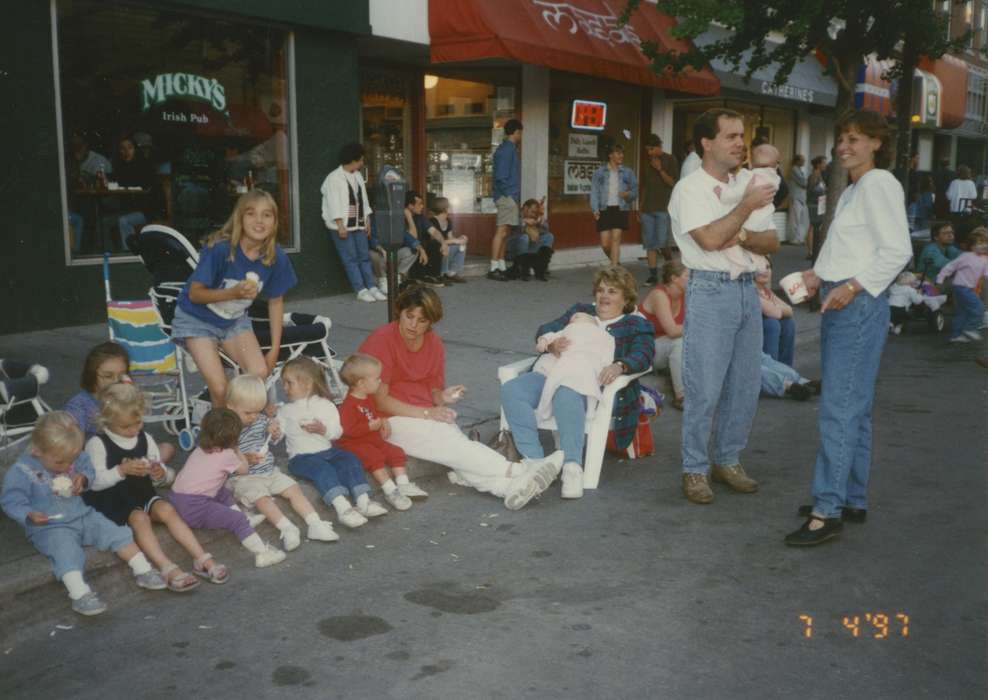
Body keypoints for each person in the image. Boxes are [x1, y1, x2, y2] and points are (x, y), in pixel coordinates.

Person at [786, 109, 913, 546]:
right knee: (853, 406)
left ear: (877, 143)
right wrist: (818, 275)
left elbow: (897, 251)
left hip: (856, 303)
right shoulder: (856, 188)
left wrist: (853, 287)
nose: (844, 146)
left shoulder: (878, 184)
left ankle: (826, 511)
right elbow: (850, 245)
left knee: (838, 408)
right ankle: (850, 497)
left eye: (855, 139)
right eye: (842, 138)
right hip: (843, 296)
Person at [359, 285, 563, 510]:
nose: (413, 325)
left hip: (425, 414)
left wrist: (443, 396)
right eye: (409, 316)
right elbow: (380, 400)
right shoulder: (382, 340)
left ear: (431, 321)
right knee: (454, 446)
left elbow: (434, 392)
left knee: (458, 451)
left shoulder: (433, 343)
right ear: (401, 312)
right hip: (384, 420)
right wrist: (428, 413)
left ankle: (507, 489)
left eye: (422, 320)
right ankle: (521, 470)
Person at [667, 107, 779, 505]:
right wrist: (745, 211)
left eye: (741, 135)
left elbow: (771, 242)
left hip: (748, 288)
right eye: (731, 136)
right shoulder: (689, 190)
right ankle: (694, 469)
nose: (740, 143)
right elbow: (711, 240)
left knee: (745, 384)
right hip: (711, 290)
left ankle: (727, 459)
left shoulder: (749, 182)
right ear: (706, 143)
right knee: (704, 386)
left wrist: (739, 229)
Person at [501, 266, 654, 499]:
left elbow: (644, 355)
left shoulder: (635, 324)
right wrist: (551, 344)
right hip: (550, 370)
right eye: (601, 290)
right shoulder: (581, 312)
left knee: (567, 390)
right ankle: (536, 462)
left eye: (612, 291)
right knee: (512, 390)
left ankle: (572, 468)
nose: (604, 296)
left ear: (626, 298)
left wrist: (619, 366)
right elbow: (546, 329)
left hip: (590, 380)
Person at [1, 412, 165, 616]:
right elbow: (11, 500)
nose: (67, 467)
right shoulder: (21, 471)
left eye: (72, 460)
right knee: (65, 550)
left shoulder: (72, 456)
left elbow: (87, 466)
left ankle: (143, 569)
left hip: (82, 513)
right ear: (37, 451)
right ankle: (80, 594)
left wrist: (84, 479)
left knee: (115, 532)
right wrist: (28, 514)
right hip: (50, 525)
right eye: (60, 462)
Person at [82, 383, 220, 591]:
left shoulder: (145, 438)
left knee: (167, 509)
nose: (134, 430)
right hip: (113, 500)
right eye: (126, 427)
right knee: (140, 518)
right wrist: (121, 471)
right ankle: (166, 567)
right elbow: (95, 481)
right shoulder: (97, 443)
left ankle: (201, 558)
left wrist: (159, 473)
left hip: (141, 493)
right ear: (106, 422)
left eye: (137, 423)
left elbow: (159, 472)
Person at [171, 189, 297, 407]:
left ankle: (243, 426)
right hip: (197, 319)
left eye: (267, 215)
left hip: (234, 320)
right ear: (240, 218)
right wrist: (233, 293)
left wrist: (274, 350)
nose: (259, 221)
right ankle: (221, 438)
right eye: (251, 214)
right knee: (220, 388)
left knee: (258, 373)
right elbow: (195, 293)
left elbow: (276, 301)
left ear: (275, 222)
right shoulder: (220, 250)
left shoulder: (276, 256)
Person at [224, 375, 339, 549]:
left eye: (258, 411)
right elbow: (222, 459)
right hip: (244, 478)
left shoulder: (260, 420)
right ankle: (287, 528)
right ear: (230, 406)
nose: (253, 417)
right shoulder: (226, 429)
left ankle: (315, 523)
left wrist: (274, 433)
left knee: (294, 489)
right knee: (262, 499)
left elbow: (272, 439)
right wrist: (245, 458)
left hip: (270, 471)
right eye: (248, 413)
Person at [278, 357, 388, 527]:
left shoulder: (325, 405)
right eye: (283, 383)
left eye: (288, 383)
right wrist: (273, 429)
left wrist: (323, 430)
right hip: (301, 457)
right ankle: (343, 508)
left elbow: (337, 432)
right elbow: (277, 437)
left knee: (349, 459)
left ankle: (363, 501)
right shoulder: (284, 410)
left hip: (327, 451)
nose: (284, 388)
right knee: (323, 469)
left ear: (307, 384)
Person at [169, 408, 287, 567]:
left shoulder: (201, 448)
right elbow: (244, 470)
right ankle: (262, 553)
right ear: (233, 438)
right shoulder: (228, 454)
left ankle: (247, 518)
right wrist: (237, 449)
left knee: (221, 491)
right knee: (236, 520)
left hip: (177, 498)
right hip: (195, 507)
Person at [337, 353, 426, 512]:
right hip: (353, 444)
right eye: (376, 378)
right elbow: (347, 431)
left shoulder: (367, 397)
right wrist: (369, 427)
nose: (380, 381)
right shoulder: (348, 405)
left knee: (395, 451)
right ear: (361, 383)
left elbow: (373, 413)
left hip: (371, 438)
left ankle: (403, 483)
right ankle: (390, 491)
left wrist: (382, 421)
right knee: (374, 457)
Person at [63, 341, 177, 464]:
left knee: (167, 448)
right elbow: (70, 446)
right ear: (91, 375)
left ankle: (145, 473)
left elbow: (138, 430)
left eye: (121, 375)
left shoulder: (126, 397)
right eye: (108, 376)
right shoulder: (79, 405)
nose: (115, 381)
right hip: (100, 460)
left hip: (130, 452)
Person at [320, 142, 386, 303]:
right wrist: (340, 225)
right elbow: (333, 203)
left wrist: (367, 220)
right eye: (360, 160)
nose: (362, 163)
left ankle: (371, 287)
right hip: (342, 226)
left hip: (359, 223)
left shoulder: (357, 176)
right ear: (352, 160)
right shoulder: (333, 178)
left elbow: (363, 199)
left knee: (364, 256)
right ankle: (360, 289)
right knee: (350, 258)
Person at [531, 312, 615, 423]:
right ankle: (591, 412)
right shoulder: (605, 336)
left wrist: (543, 342)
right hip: (588, 365)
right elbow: (608, 353)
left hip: (569, 362)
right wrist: (605, 365)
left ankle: (543, 411)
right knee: (592, 388)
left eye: (576, 317)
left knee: (551, 384)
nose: (572, 320)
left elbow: (550, 336)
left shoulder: (571, 329)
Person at [639, 259, 688, 410]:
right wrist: (701, 328)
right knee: (679, 341)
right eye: (688, 276)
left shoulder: (685, 294)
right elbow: (672, 331)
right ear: (674, 278)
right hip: (644, 351)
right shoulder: (659, 294)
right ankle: (681, 396)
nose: (693, 280)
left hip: (663, 350)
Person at [639, 134, 680, 284]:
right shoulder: (646, 162)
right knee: (649, 244)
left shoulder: (670, 160)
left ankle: (671, 270)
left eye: (651, 149)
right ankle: (653, 275)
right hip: (647, 209)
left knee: (663, 244)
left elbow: (673, 183)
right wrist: (640, 207)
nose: (649, 153)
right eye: (647, 150)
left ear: (658, 147)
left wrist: (660, 169)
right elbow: (645, 186)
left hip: (663, 208)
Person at [590, 144, 638, 265]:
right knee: (605, 244)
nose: (621, 155)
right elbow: (594, 191)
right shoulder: (599, 172)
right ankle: (616, 262)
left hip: (620, 208)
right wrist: (595, 209)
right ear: (610, 155)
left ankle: (614, 269)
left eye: (622, 153)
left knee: (616, 239)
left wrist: (628, 194)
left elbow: (635, 191)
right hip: (604, 208)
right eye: (618, 153)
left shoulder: (628, 172)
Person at [489, 119, 523, 280]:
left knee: (505, 232)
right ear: (516, 132)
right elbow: (501, 177)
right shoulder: (507, 150)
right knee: (501, 231)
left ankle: (500, 265)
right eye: (520, 132)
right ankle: (493, 267)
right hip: (506, 196)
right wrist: (509, 196)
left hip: (507, 195)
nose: (521, 136)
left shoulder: (508, 149)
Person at [937, 241, 988, 343]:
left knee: (962, 312)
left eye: (985, 244)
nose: (983, 246)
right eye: (980, 243)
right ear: (972, 247)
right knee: (979, 307)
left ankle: (956, 335)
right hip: (961, 287)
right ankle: (970, 328)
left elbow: (987, 274)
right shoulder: (965, 256)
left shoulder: (984, 260)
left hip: (968, 289)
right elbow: (950, 266)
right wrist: (940, 279)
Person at [113, 134, 159, 246]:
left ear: (135, 149)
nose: (126, 151)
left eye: (129, 148)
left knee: (123, 221)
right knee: (105, 221)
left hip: (147, 211)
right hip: (128, 209)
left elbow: (148, 191)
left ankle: (128, 254)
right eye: (122, 149)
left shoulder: (145, 166)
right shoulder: (120, 167)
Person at [506, 198, 555, 281]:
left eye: (536, 212)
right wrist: (524, 222)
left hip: (529, 248)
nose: (533, 214)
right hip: (514, 247)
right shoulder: (515, 214)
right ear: (525, 208)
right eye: (532, 212)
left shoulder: (536, 216)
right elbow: (513, 228)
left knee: (549, 236)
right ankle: (521, 267)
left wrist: (540, 222)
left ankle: (542, 266)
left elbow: (546, 230)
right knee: (524, 237)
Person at [404, 191, 445, 287]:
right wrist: (409, 217)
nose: (422, 206)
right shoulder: (401, 217)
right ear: (410, 206)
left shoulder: (420, 217)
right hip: (407, 248)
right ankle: (415, 277)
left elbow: (434, 231)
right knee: (414, 247)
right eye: (420, 204)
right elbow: (412, 239)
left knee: (436, 244)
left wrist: (443, 243)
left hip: (419, 247)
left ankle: (432, 276)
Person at [756, 266, 796, 366]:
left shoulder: (766, 290)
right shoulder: (749, 289)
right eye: (759, 266)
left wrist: (775, 307)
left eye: (768, 267)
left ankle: (786, 373)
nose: (764, 270)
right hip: (748, 327)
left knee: (788, 323)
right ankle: (772, 372)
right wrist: (776, 308)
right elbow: (775, 313)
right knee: (772, 324)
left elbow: (790, 310)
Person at [430, 197, 468, 285]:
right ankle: (442, 274)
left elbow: (450, 238)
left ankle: (451, 273)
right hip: (434, 250)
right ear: (445, 208)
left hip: (443, 247)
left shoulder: (448, 221)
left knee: (460, 245)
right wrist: (455, 241)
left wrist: (460, 239)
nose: (451, 207)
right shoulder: (433, 221)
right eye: (449, 205)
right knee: (446, 246)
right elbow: (435, 241)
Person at [887, 271, 926, 335]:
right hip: (901, 309)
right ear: (910, 282)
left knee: (891, 318)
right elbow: (917, 301)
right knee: (902, 319)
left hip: (889, 307)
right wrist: (920, 294)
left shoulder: (893, 286)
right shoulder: (910, 290)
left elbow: (888, 293)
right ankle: (898, 328)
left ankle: (890, 325)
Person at [806, 156, 827, 260]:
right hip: (814, 204)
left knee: (815, 226)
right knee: (812, 226)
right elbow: (811, 190)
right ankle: (811, 251)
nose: (825, 165)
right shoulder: (814, 175)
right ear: (818, 164)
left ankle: (813, 249)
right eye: (823, 163)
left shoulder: (819, 175)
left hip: (819, 203)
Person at [786, 154, 810, 245]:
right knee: (795, 219)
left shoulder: (799, 170)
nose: (804, 162)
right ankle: (793, 238)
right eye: (802, 160)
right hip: (796, 197)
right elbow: (803, 182)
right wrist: (808, 182)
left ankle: (799, 238)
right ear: (797, 161)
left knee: (801, 219)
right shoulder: (794, 169)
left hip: (801, 198)